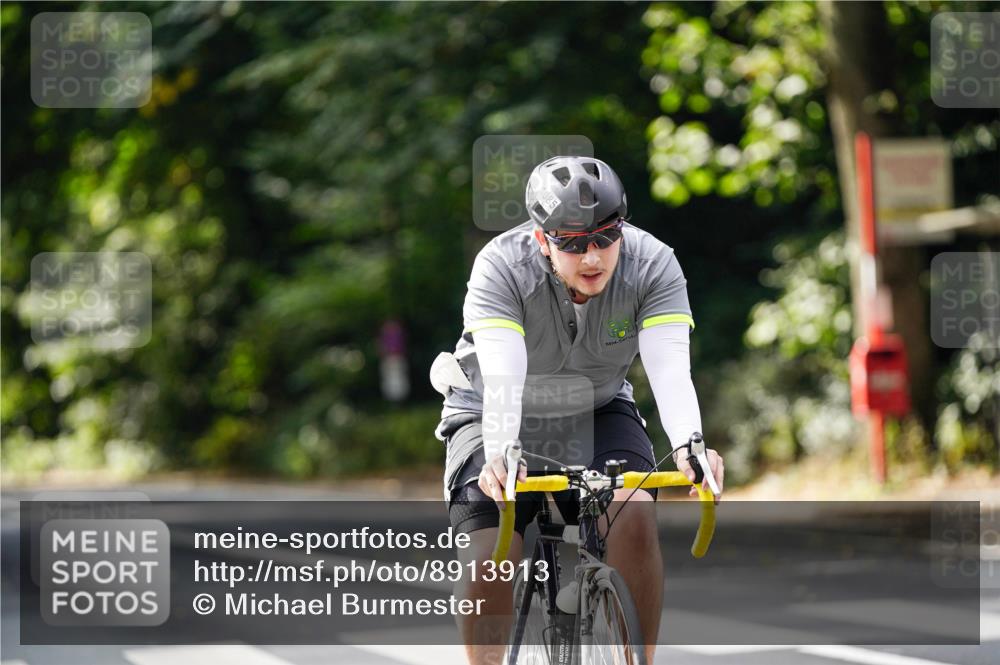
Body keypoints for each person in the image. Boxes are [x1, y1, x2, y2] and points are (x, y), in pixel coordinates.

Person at [431, 155, 724, 665]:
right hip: (492, 410)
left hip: (598, 404)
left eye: (606, 237)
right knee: (488, 556)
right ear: (542, 239)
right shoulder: (501, 266)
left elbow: (671, 370)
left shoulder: (653, 264)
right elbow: (503, 375)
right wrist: (502, 452)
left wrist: (689, 444)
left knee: (632, 513)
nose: (592, 257)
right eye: (571, 243)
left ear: (622, 227)